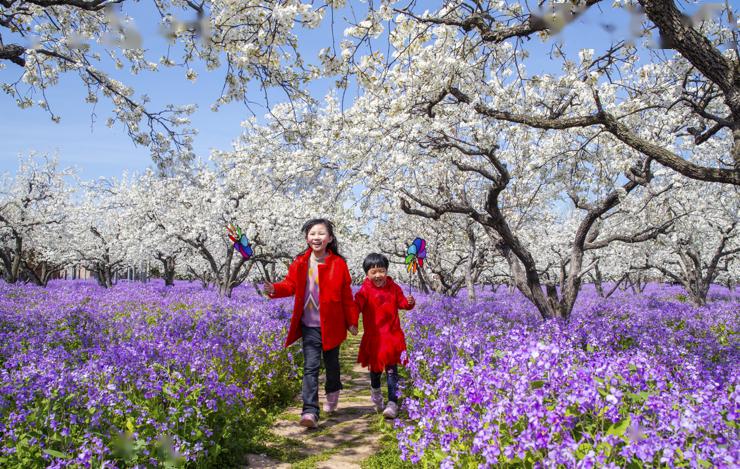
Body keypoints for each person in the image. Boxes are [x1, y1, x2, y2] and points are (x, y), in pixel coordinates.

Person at [264, 219, 358, 428]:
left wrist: (352, 321)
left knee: (332, 366)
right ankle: (309, 411)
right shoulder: (300, 261)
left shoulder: (338, 264)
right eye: (312, 233)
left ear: (330, 239)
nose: (316, 237)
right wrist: (274, 289)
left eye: (321, 234)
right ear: (307, 237)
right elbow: (290, 285)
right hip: (309, 325)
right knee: (310, 367)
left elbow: (346, 296)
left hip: (332, 325)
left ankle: (333, 391)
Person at [350, 253, 415, 419]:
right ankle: (376, 394)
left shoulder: (394, 288)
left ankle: (393, 402)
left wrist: (409, 303)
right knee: (376, 371)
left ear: (386, 271)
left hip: (392, 337)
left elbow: (402, 303)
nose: (378, 275)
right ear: (367, 274)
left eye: (382, 271)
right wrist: (352, 323)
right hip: (375, 338)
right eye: (374, 272)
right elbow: (356, 307)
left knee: (392, 370)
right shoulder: (364, 291)